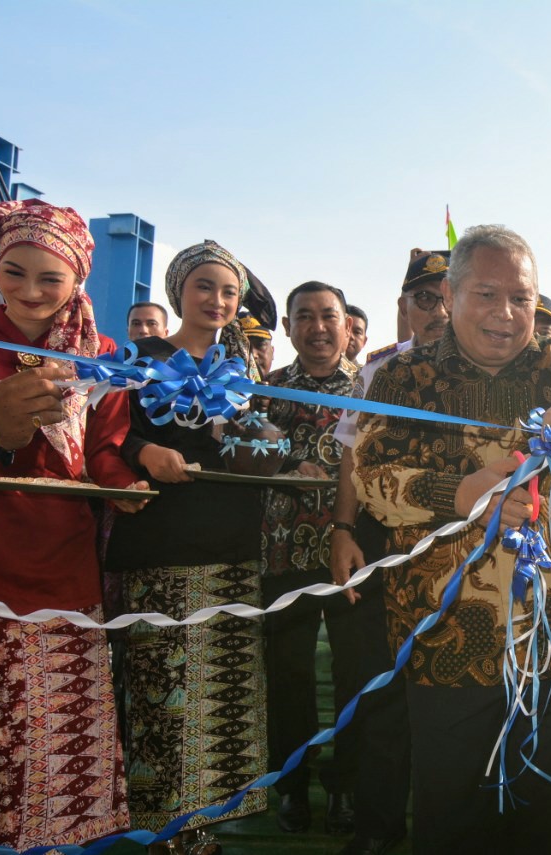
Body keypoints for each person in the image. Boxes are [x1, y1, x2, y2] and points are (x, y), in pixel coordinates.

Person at [352, 224, 551, 852]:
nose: (506, 315)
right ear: (449, 299)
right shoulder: (404, 378)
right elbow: (371, 477)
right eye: (486, 294)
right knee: (454, 818)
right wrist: (464, 496)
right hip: (446, 638)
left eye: (521, 298)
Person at [0, 199, 148, 850]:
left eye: (49, 278)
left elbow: (105, 449)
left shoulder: (100, 355)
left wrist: (126, 486)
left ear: (78, 279)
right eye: (12, 272)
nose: (28, 291)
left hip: (66, 569)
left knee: (58, 739)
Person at [105, 240, 268, 852]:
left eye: (229, 291)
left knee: (223, 697)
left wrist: (278, 455)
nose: (219, 301)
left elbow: (251, 441)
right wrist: (142, 453)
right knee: (163, 693)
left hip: (230, 544)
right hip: (162, 546)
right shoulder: (141, 357)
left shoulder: (239, 368)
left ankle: (205, 826)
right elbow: (108, 434)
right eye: (205, 287)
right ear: (179, 293)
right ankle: (162, 830)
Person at [330, 249, 451, 855]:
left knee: (458, 693)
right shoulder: (379, 372)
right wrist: (343, 530)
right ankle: (377, 826)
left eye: (451, 295)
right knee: (380, 685)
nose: (439, 310)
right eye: (425, 298)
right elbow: (351, 452)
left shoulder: (498, 370)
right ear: (404, 308)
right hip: (384, 543)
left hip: (465, 545)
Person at [257, 281, 364, 836]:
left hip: (354, 557)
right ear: (288, 327)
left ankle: (346, 786)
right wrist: (280, 469)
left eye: (329, 316)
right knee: (289, 675)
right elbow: (241, 454)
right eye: (305, 316)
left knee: (354, 673)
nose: (318, 327)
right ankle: (293, 787)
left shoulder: (372, 390)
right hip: (284, 553)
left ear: (347, 325)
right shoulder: (266, 391)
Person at [239, 309, 276, 377]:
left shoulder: (287, 385)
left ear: (272, 351)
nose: (253, 354)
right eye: (243, 347)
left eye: (260, 345)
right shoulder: (216, 385)